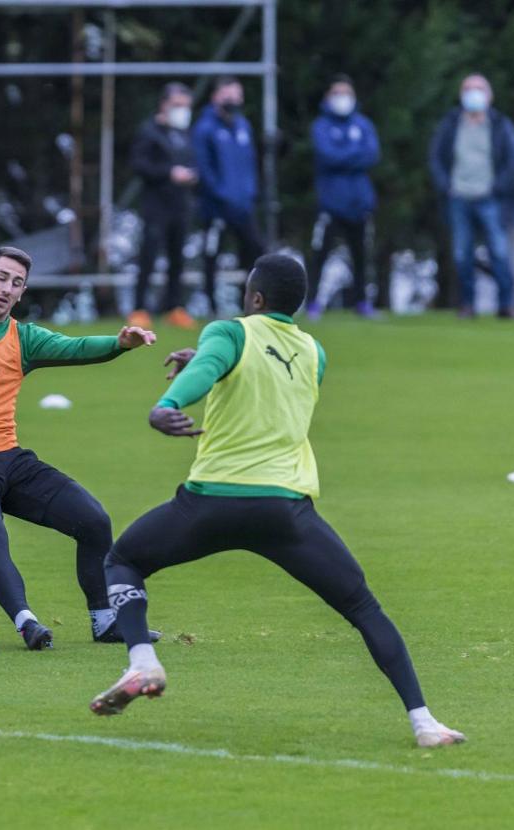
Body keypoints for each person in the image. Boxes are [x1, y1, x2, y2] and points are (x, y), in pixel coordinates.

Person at [89, 254, 466, 749]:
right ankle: (424, 723)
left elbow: (213, 366)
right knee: (362, 606)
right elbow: (257, 379)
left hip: (211, 502)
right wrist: (204, 365)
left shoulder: (228, 333)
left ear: (256, 298)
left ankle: (142, 661)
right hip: (284, 511)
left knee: (124, 559)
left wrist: (168, 403)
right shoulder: (315, 353)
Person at [0, 246, 162, 650]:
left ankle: (105, 621)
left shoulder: (23, 338)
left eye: (17, 283)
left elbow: (74, 348)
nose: (7, 288)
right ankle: (27, 623)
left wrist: (120, 342)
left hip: (11, 460)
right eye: (1, 277)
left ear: (22, 293)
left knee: (93, 520)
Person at [428, 73, 514, 318]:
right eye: (468, 88)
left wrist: (498, 188)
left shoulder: (500, 125)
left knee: (499, 252)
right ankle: (467, 305)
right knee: (462, 254)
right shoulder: (451, 123)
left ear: (489, 95)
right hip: (459, 197)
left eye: (478, 89)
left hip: (491, 199)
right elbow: (436, 157)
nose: (473, 93)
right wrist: (446, 186)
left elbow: (512, 161)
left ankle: (506, 305)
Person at [306, 75, 381, 320]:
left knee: (362, 256)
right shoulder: (321, 126)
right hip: (330, 202)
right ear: (328, 97)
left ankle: (362, 302)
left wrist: (343, 157)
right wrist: (353, 156)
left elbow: (372, 155)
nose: (343, 98)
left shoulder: (364, 124)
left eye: (346, 93)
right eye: (337, 93)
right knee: (320, 254)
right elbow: (327, 156)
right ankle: (313, 303)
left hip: (359, 202)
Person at [193, 76, 264, 316]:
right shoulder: (205, 128)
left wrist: (250, 193)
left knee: (254, 251)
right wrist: (221, 195)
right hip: (217, 207)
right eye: (229, 95)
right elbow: (205, 168)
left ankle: (252, 304)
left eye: (238, 95)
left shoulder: (243, 126)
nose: (234, 100)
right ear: (216, 96)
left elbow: (250, 164)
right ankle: (210, 305)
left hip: (243, 206)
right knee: (212, 256)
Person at [129, 82, 198, 330]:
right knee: (148, 256)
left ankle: (174, 307)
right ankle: (139, 309)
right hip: (155, 205)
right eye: (178, 105)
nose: (182, 111)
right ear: (164, 104)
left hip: (180, 204)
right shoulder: (149, 131)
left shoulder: (184, 133)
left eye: (186, 106)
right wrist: (169, 173)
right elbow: (139, 165)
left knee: (177, 258)